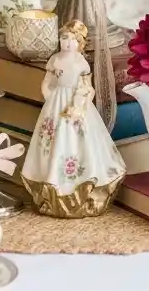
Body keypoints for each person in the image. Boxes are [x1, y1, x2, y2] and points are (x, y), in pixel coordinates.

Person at [22, 19, 125, 218]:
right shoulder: (55, 60)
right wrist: (49, 97)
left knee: (80, 139)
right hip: (56, 102)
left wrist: (77, 105)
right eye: (64, 38)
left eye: (73, 39)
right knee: (52, 140)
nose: (68, 43)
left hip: (76, 104)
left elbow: (86, 87)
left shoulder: (81, 63)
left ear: (80, 43)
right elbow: (48, 81)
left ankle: (84, 189)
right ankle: (51, 185)